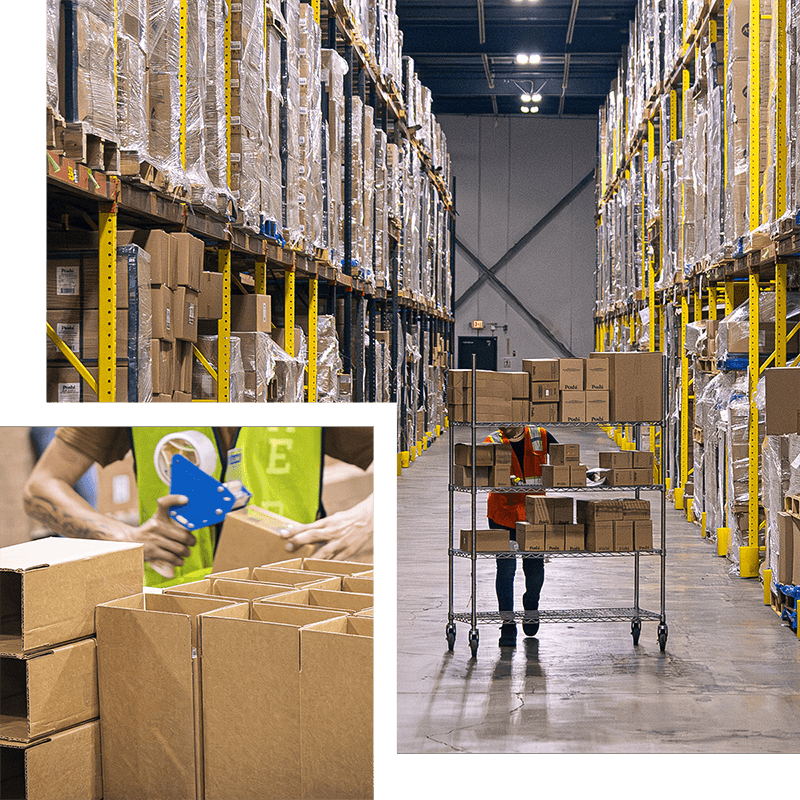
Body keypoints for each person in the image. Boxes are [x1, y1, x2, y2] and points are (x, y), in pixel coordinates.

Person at [23, 427, 373, 588]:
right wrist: (124, 535)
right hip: (174, 606)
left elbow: (415, 456)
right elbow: (42, 487)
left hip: (292, 599)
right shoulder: (134, 382)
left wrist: (366, 517)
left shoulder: (305, 378)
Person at [483, 424, 557, 647]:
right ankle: (507, 625)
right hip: (502, 514)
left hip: (534, 512)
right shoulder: (492, 441)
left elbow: (566, 458)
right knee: (505, 571)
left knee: (534, 569)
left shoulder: (541, 436)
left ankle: (531, 602)